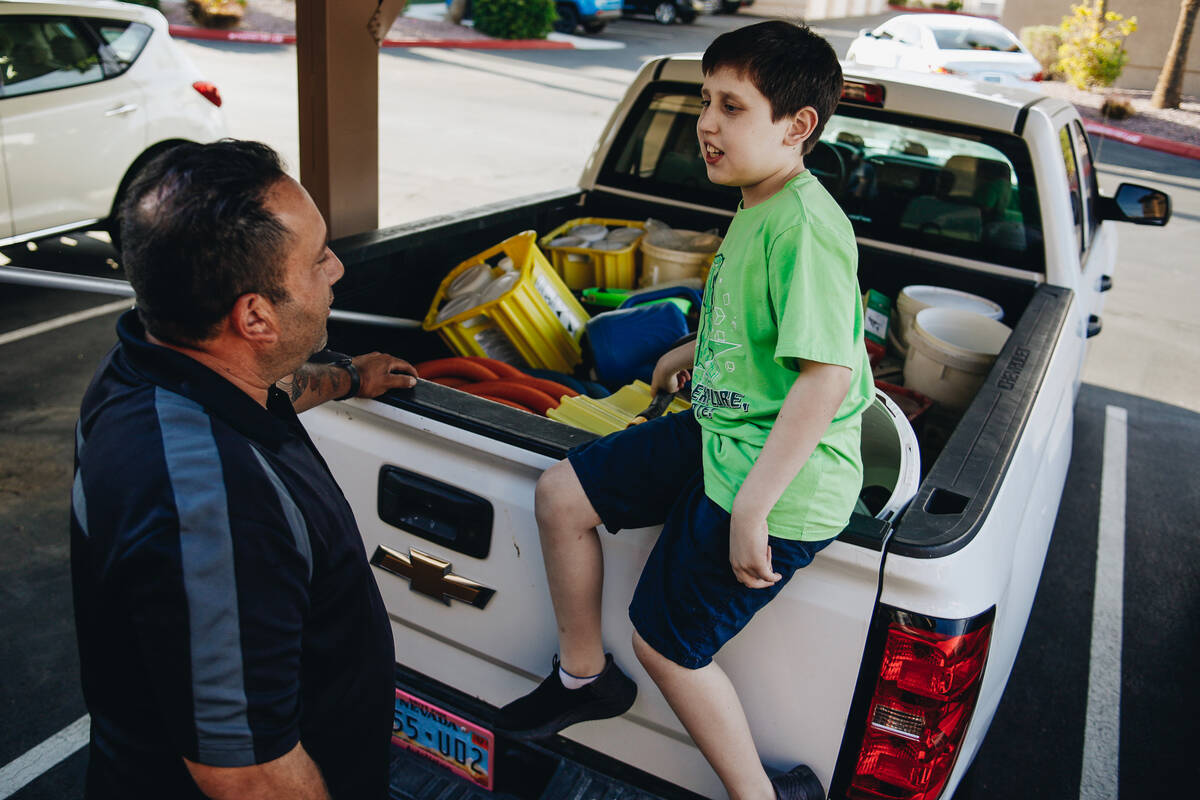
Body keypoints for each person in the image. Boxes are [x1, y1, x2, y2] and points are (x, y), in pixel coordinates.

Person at [496, 21, 873, 800]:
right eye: (705, 101)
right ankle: (583, 679)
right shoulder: (757, 203)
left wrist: (753, 509)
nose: (706, 123)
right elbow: (756, 328)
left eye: (732, 106)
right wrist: (690, 353)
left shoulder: (806, 228)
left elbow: (823, 381)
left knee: (666, 644)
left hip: (779, 481)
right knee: (563, 495)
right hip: (720, 433)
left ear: (797, 126)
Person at [70, 140, 419, 800]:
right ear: (254, 315)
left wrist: (347, 377)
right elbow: (247, 774)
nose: (337, 269)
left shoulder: (147, 364)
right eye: (318, 260)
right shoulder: (214, 505)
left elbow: (271, 389)